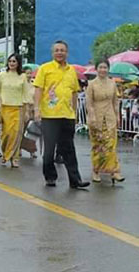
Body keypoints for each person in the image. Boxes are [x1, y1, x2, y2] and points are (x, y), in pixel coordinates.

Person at [34, 40, 90, 189]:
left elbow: (73, 92)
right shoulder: (45, 68)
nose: (60, 52)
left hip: (67, 115)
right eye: (57, 50)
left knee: (69, 149)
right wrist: (36, 109)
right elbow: (38, 89)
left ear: (67, 53)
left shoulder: (71, 70)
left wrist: (75, 111)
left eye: (62, 50)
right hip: (50, 115)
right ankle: (50, 176)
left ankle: (75, 180)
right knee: (49, 150)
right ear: (53, 53)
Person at [86, 59, 124, 185]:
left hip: (110, 117)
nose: (103, 70)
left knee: (111, 144)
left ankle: (115, 171)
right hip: (96, 117)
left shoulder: (112, 84)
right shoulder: (92, 84)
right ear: (96, 69)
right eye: (100, 67)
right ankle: (96, 171)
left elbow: (115, 101)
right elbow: (89, 103)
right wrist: (92, 117)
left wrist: (117, 116)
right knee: (98, 145)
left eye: (105, 67)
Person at [0, 54, 29, 168]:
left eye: (14, 61)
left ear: (18, 63)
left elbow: (26, 93)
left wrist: (27, 111)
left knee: (16, 134)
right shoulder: (2, 75)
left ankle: (14, 158)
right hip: (5, 108)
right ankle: (5, 154)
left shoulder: (23, 76)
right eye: (10, 61)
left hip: (18, 108)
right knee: (6, 134)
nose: (12, 63)